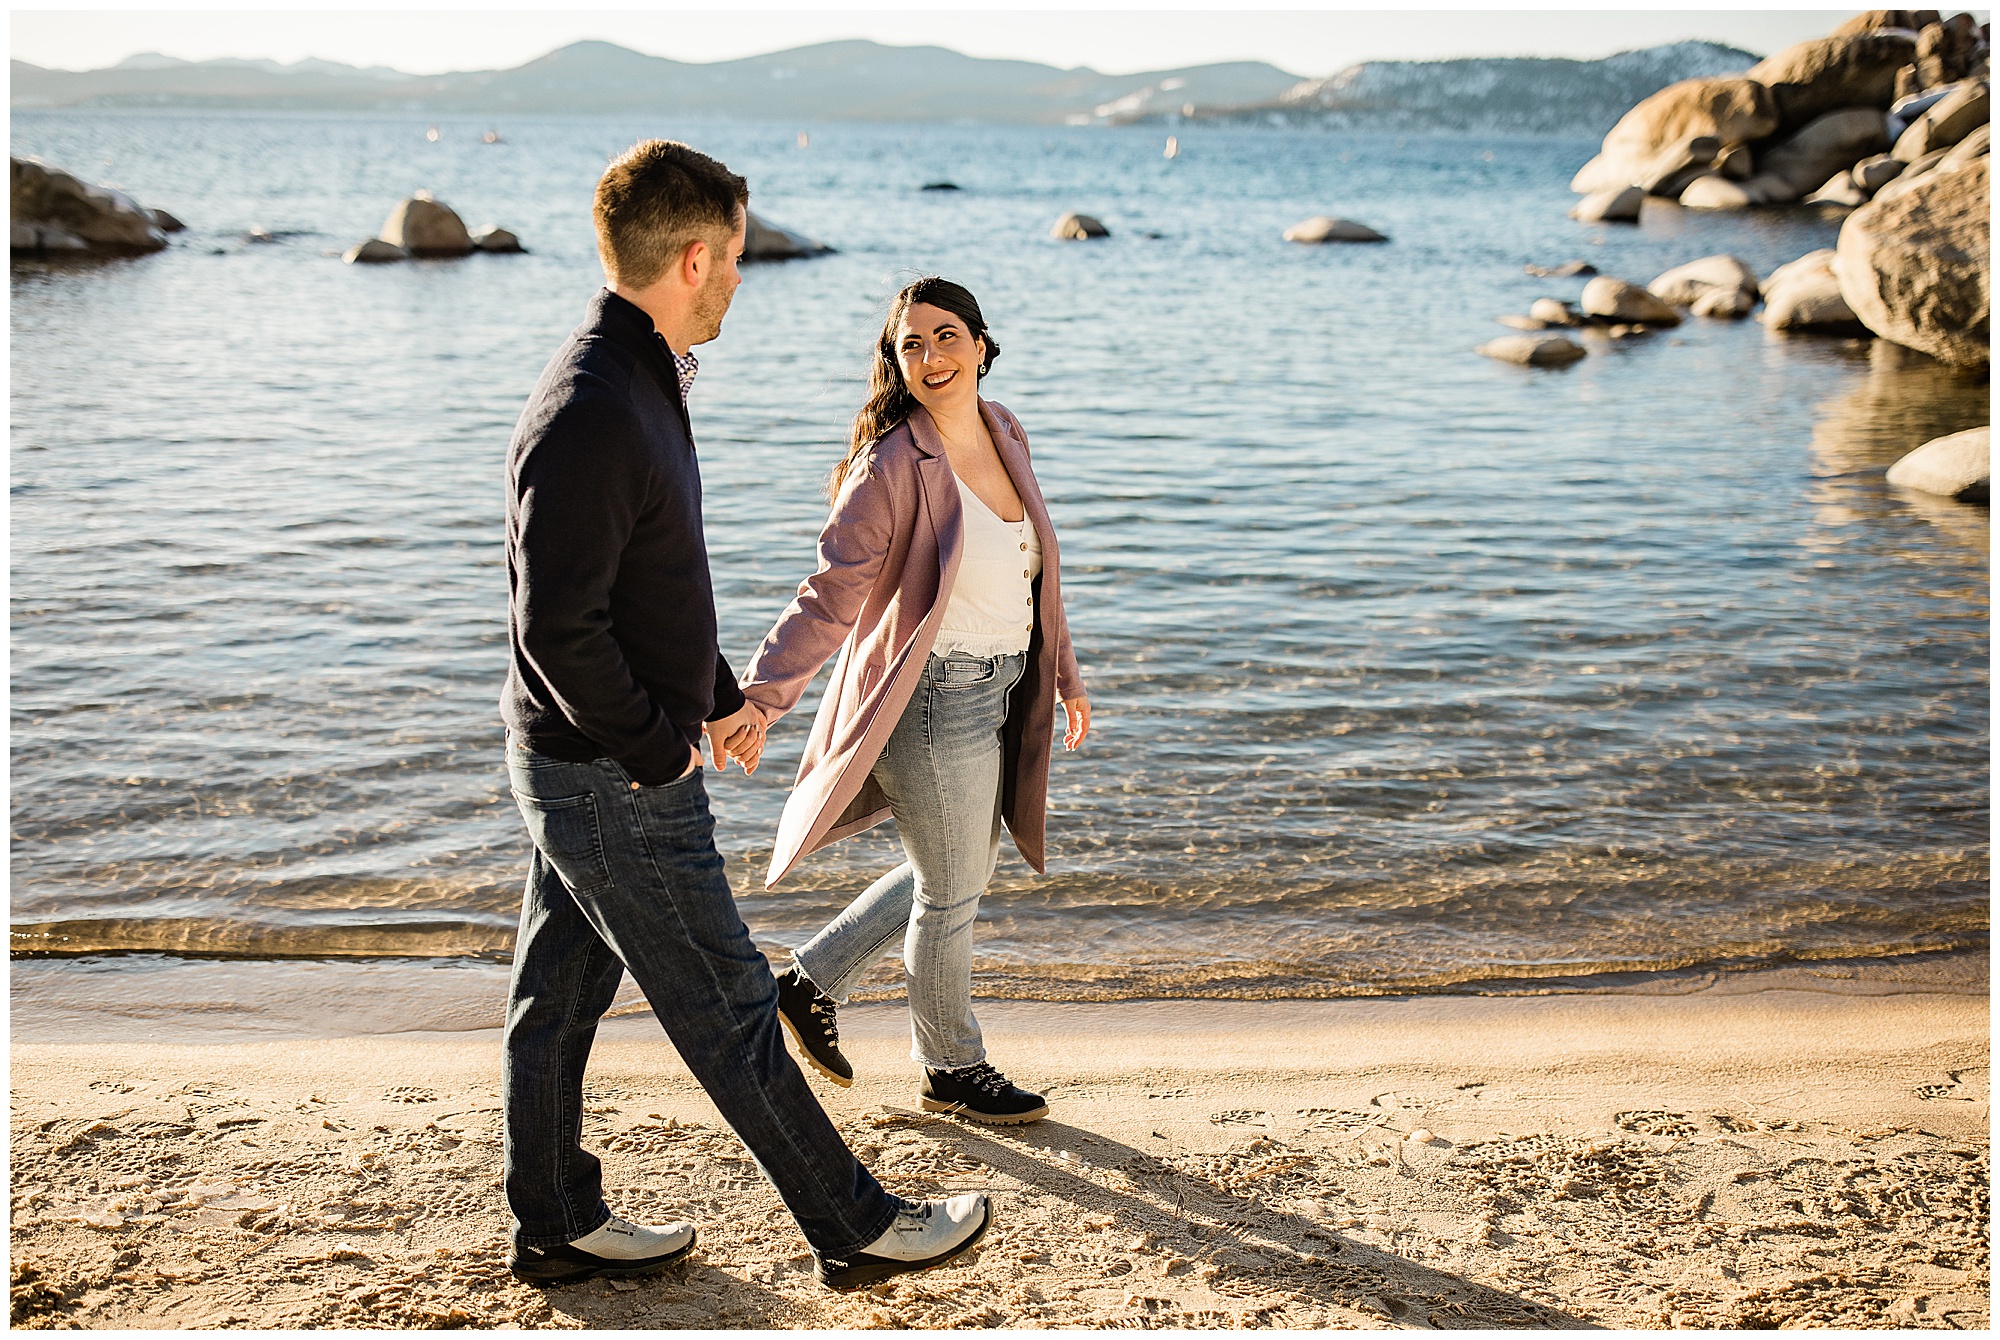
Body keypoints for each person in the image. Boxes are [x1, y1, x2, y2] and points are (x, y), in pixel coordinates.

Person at [498, 141, 989, 1291]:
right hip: (610, 775)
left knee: (554, 997)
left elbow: (649, 585)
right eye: (732, 260)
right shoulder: (592, 406)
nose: (737, 282)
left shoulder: (640, 375)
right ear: (693, 253)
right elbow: (556, 626)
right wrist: (658, 747)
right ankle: (855, 1224)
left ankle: (556, 1220)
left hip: (584, 759)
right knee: (728, 1003)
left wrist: (717, 695)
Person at [733, 277, 1090, 1125]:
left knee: (953, 872)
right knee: (952, 889)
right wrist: (761, 698)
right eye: (911, 345)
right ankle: (951, 1066)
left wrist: (1066, 672)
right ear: (895, 363)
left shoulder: (1005, 431)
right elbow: (829, 596)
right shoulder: (893, 462)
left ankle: (808, 982)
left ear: (980, 342)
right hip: (931, 700)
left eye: (946, 336)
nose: (931, 356)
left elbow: (1033, 571)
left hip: (1001, 686)